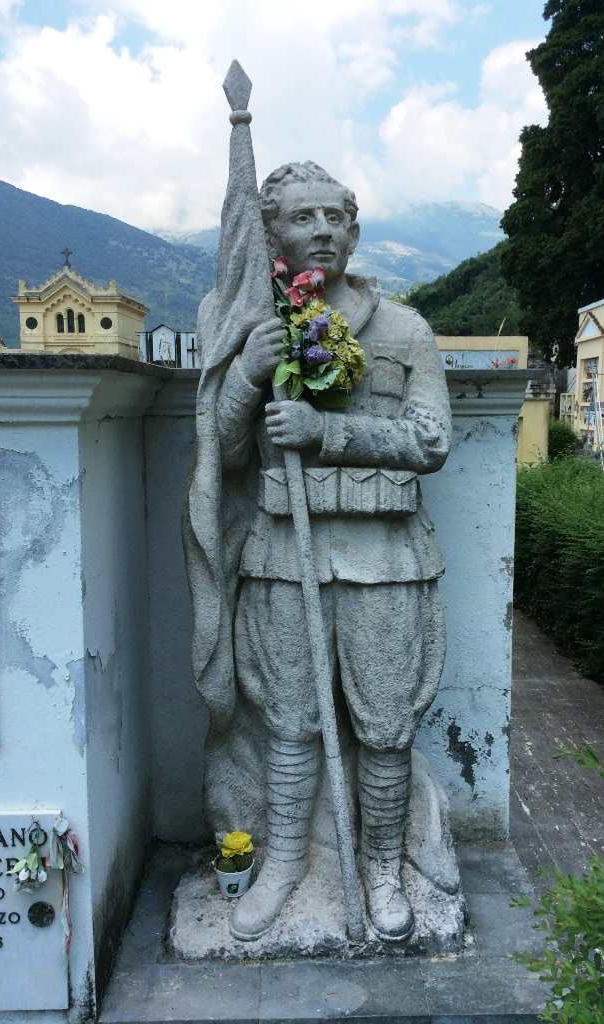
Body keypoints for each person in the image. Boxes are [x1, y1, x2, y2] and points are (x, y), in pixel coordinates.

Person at [212, 161, 452, 943]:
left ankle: (381, 867)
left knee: (384, 726)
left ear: (353, 229)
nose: (320, 230)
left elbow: (431, 440)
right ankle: (283, 861)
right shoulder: (256, 325)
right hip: (287, 555)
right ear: (271, 234)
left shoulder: (405, 329)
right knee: (290, 722)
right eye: (301, 217)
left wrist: (329, 433)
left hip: (385, 559)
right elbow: (223, 454)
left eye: (333, 217)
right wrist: (247, 375)